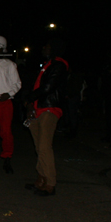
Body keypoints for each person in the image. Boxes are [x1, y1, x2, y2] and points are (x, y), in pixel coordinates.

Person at [23, 38, 69, 196]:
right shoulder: (48, 64)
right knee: (39, 147)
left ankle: (50, 183)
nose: (44, 48)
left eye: (47, 46)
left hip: (49, 108)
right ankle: (41, 178)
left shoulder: (59, 65)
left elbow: (48, 87)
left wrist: (29, 98)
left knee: (44, 147)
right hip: (39, 108)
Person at [0, 35, 21, 174]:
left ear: (3, 49)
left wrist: (9, 93)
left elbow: (17, 83)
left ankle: (7, 158)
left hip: (5, 103)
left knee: (6, 132)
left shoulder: (10, 65)